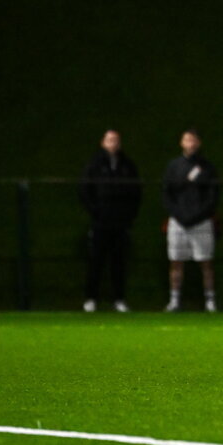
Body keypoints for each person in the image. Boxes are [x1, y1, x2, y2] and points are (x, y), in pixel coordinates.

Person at [79, 129, 141, 312]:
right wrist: (95, 211)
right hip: (100, 222)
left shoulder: (127, 165)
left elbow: (136, 192)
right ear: (103, 142)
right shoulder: (94, 165)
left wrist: (128, 215)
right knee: (96, 261)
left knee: (119, 262)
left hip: (121, 223)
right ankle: (91, 298)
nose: (113, 143)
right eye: (109, 140)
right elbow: (84, 190)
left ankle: (119, 299)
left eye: (116, 140)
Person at [162, 129, 219, 313]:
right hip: (178, 222)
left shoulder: (208, 167)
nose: (190, 143)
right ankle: (174, 300)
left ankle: (210, 301)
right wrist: (179, 215)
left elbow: (213, 197)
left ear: (199, 143)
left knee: (206, 262)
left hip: (201, 222)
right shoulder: (173, 166)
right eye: (187, 139)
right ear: (181, 142)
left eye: (194, 140)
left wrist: (197, 216)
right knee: (176, 261)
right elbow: (167, 195)